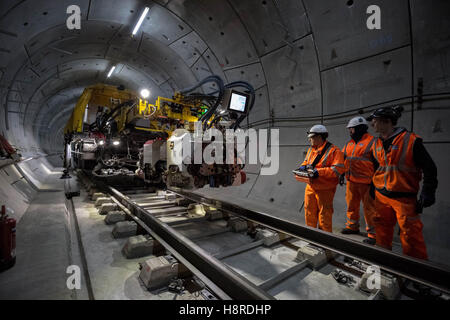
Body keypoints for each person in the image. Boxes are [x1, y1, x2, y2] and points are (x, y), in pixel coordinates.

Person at [367, 106, 437, 260]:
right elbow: (377, 168)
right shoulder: (376, 143)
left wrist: (428, 191)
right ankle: (384, 260)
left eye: (375, 121)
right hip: (381, 196)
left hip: (403, 198)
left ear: (387, 121)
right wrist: (373, 186)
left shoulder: (410, 141)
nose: (372, 124)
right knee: (381, 229)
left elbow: (430, 168)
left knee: (410, 234)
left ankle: (417, 272)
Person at [294, 125, 345, 232]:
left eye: (312, 137)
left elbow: (337, 170)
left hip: (325, 188)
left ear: (320, 137)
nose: (310, 139)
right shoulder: (311, 150)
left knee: (324, 215)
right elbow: (307, 162)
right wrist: (302, 166)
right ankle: (311, 235)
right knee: (309, 211)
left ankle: (325, 239)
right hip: (311, 186)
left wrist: (319, 172)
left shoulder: (334, 151)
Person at [340, 116, 377, 244]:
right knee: (351, 205)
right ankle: (352, 226)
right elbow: (343, 159)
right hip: (351, 181)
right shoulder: (349, 143)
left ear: (360, 128)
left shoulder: (372, 142)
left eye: (351, 129)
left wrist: (376, 182)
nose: (350, 132)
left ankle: (373, 235)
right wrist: (341, 174)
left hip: (367, 183)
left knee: (370, 209)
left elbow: (378, 163)